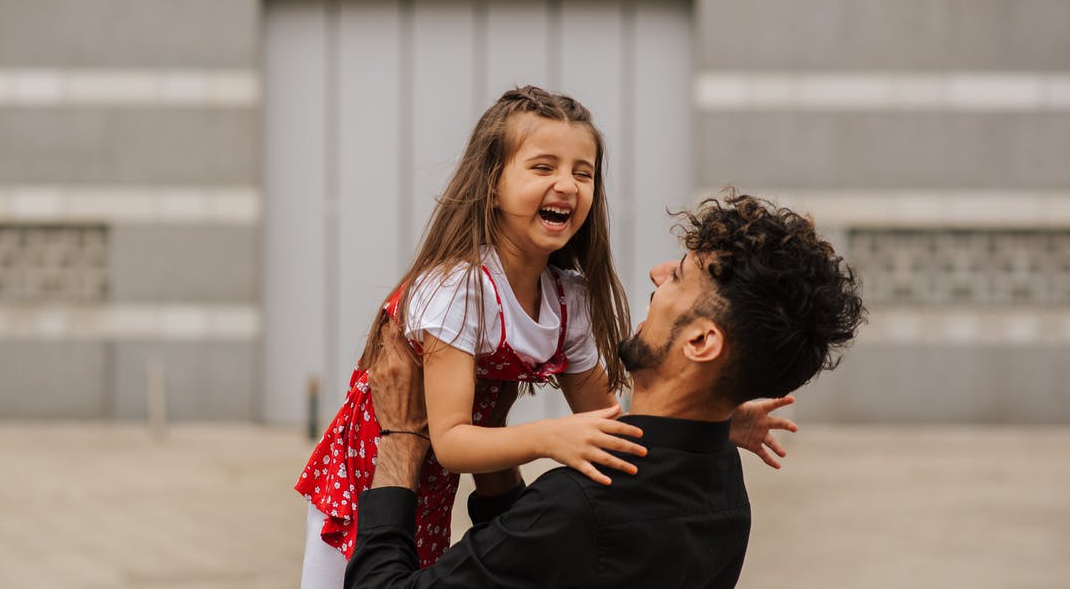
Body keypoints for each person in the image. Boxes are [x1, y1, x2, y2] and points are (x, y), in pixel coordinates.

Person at [295, 87, 792, 588]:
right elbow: (449, 442)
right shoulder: (458, 288)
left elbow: (607, 423)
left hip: (430, 487)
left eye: (583, 172)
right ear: (491, 184)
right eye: (542, 167)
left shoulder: (567, 296)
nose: (567, 185)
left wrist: (708, 421)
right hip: (367, 475)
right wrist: (548, 439)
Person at [345, 191, 867, 589]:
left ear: (702, 341)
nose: (657, 274)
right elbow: (539, 565)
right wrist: (489, 432)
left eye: (680, 277)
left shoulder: (579, 506)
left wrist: (399, 440)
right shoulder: (722, 489)